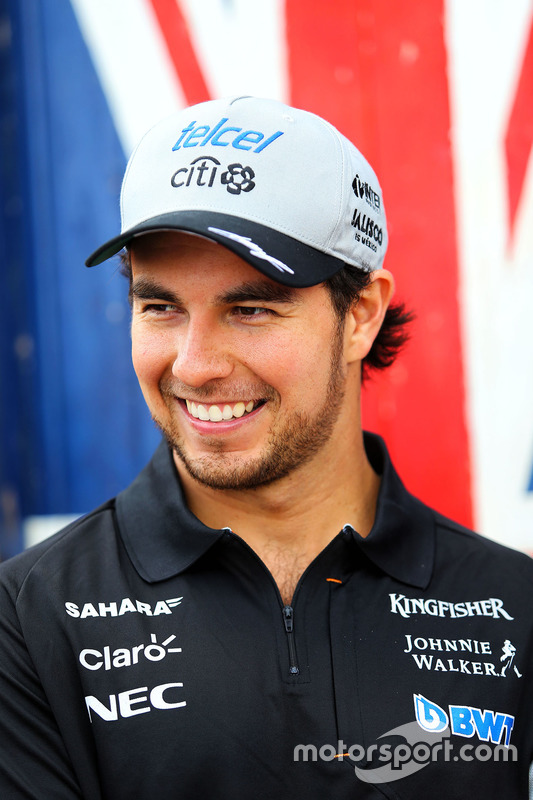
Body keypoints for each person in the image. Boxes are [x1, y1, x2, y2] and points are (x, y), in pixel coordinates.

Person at [0, 96, 531, 799]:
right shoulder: (29, 618)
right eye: (160, 307)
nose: (193, 364)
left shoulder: (511, 606)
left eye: (248, 309)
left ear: (359, 317)